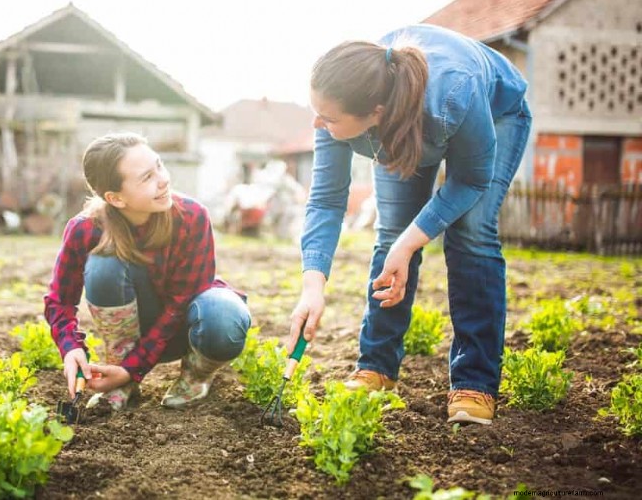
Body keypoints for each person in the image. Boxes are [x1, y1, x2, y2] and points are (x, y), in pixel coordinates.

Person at [287, 24, 532, 425]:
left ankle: (475, 381)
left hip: (495, 112)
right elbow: (327, 200)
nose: (317, 124)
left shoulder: (455, 92)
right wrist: (312, 287)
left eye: (327, 117)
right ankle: (377, 367)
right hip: (404, 118)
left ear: (375, 114)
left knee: (471, 233)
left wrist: (410, 245)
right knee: (391, 231)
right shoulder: (341, 107)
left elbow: (470, 180)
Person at [45, 132, 251, 411]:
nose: (163, 179)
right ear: (115, 198)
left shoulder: (192, 217)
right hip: (132, 332)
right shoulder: (86, 229)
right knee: (103, 264)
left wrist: (133, 368)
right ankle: (120, 379)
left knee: (224, 316)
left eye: (159, 166)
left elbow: (180, 304)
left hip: (186, 329)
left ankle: (195, 376)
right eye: (147, 178)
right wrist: (71, 348)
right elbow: (60, 301)